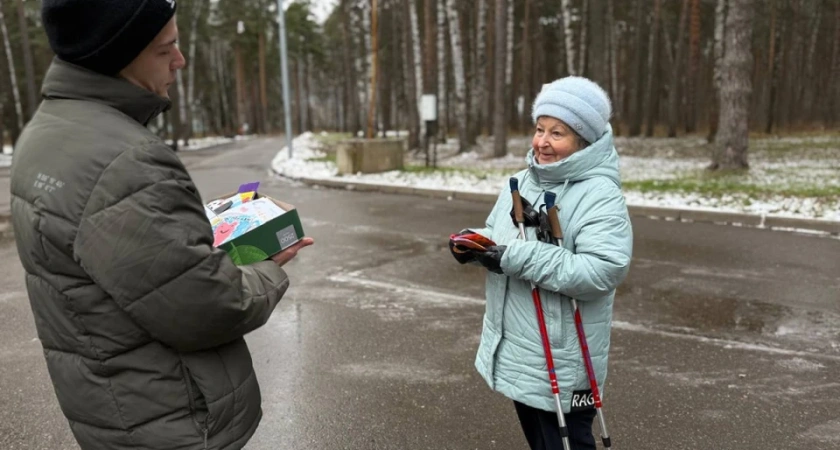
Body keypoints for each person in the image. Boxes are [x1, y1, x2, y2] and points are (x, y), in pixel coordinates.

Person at [9, 1, 313, 449]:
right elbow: (206, 309)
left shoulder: (45, 132)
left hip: (115, 408)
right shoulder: (126, 161)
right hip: (172, 422)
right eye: (165, 48)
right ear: (118, 55)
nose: (180, 60)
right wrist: (268, 267)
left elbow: (133, 265)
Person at [449, 76, 633, 450]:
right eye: (539, 129)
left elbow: (603, 270)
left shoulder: (600, 194)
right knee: (540, 441)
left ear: (582, 140)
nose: (542, 142)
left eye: (557, 133)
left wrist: (516, 257)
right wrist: (477, 244)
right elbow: (500, 233)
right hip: (522, 349)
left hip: (563, 355)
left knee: (568, 443)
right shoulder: (521, 180)